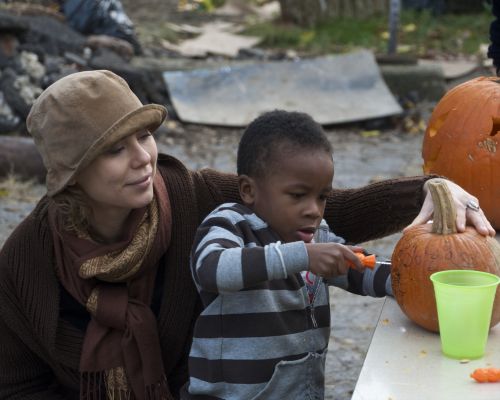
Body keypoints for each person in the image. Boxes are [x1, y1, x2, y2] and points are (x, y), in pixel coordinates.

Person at [0, 70, 494, 400]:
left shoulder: (194, 196)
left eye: (145, 135)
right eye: (114, 150)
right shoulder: (24, 263)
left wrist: (430, 192)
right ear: (71, 175)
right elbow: (18, 385)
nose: (143, 158)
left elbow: (320, 212)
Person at [184, 110, 394, 399]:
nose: (314, 210)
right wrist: (302, 256)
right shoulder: (230, 224)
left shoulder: (317, 237)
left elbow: (360, 266)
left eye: (322, 196)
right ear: (248, 190)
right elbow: (211, 269)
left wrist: (412, 278)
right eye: (298, 195)